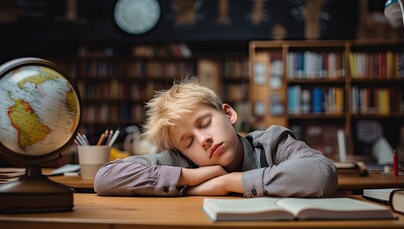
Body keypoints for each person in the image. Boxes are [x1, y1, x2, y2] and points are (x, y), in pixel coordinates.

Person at [94, 77, 337, 198]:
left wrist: (227, 182)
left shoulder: (272, 142)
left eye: (205, 123)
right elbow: (105, 178)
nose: (203, 140)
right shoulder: (181, 162)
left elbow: (321, 174)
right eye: (189, 142)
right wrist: (187, 177)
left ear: (228, 113)